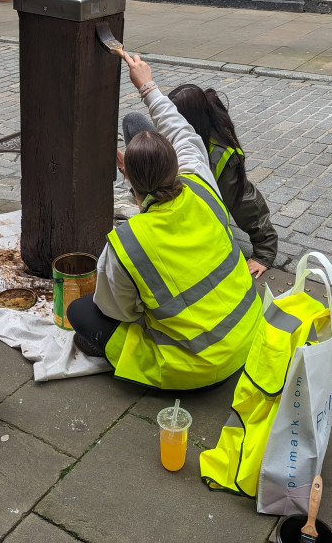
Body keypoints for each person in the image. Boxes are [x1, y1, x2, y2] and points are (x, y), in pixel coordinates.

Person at [67, 52, 262, 391]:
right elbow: (181, 131)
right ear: (177, 163)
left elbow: (121, 313)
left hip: (194, 367)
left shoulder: (129, 242)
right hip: (247, 332)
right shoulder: (201, 182)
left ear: (125, 173)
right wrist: (148, 86)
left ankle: (127, 362)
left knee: (80, 312)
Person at [167, 84, 278, 277]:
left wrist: (264, 252)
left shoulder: (222, 157)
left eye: (171, 117)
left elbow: (245, 202)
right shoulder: (182, 136)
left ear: (188, 120)